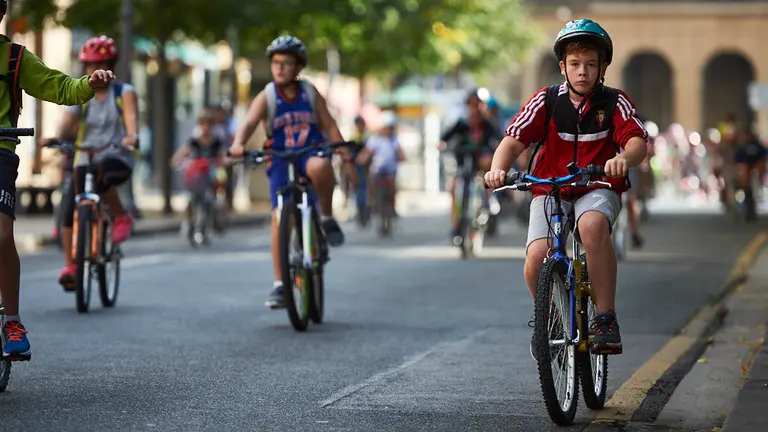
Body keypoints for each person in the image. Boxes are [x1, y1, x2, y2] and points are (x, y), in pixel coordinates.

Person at [484, 19, 648, 358]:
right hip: (550, 187)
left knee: (591, 227)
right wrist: (497, 169)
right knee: (535, 257)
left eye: (591, 64)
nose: (583, 72)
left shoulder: (615, 102)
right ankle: (553, 319)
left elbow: (637, 142)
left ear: (603, 68)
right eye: (575, 64)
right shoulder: (545, 101)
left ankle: (604, 317)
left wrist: (623, 158)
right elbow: (513, 141)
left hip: (597, 185)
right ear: (563, 67)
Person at [0, 8, 116, 360]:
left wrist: (88, 85)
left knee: (2, 236)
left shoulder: (15, 57)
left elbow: (58, 85)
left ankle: (12, 322)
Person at [228, 35, 357, 309]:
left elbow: (329, 124)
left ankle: (326, 217)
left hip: (309, 152)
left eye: (286, 64)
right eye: (276, 63)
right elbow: (249, 123)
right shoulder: (267, 96)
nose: (280, 69)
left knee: (321, 166)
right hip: (278, 157)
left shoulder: (309, 93)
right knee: (279, 217)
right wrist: (238, 145)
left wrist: (343, 150)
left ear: (298, 68)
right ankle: (279, 285)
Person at [51, 35, 139, 290]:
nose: (93, 70)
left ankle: (121, 216)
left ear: (111, 65)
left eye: (99, 64)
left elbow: (131, 120)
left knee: (102, 172)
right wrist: (58, 136)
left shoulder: (124, 93)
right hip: (85, 155)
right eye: (89, 65)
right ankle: (71, 266)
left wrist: (131, 137)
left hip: (116, 156)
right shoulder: (81, 92)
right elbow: (67, 122)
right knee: (70, 206)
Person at [439, 89, 502, 240]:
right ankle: (456, 225)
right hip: (463, 166)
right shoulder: (461, 124)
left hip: (480, 168)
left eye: (478, 105)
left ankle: (490, 201)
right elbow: (445, 137)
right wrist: (442, 144)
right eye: (471, 105)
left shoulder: (488, 125)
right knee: (454, 188)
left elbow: (501, 141)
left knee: (487, 180)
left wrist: (490, 153)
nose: (474, 109)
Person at [171, 112, 230, 223]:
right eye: (203, 124)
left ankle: (221, 206)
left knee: (221, 178)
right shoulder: (194, 142)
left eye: (208, 125)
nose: (206, 127)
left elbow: (224, 154)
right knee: (190, 197)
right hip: (198, 174)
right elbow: (182, 153)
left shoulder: (216, 142)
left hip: (212, 171)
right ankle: (188, 220)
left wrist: (225, 160)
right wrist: (177, 160)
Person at [356, 111, 405, 214]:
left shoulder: (394, 140)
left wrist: (402, 157)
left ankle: (392, 206)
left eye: (391, 128)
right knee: (371, 181)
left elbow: (400, 152)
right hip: (377, 168)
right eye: (387, 127)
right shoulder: (375, 139)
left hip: (390, 169)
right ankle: (372, 201)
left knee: (392, 187)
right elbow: (367, 152)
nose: (388, 130)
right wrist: (361, 159)